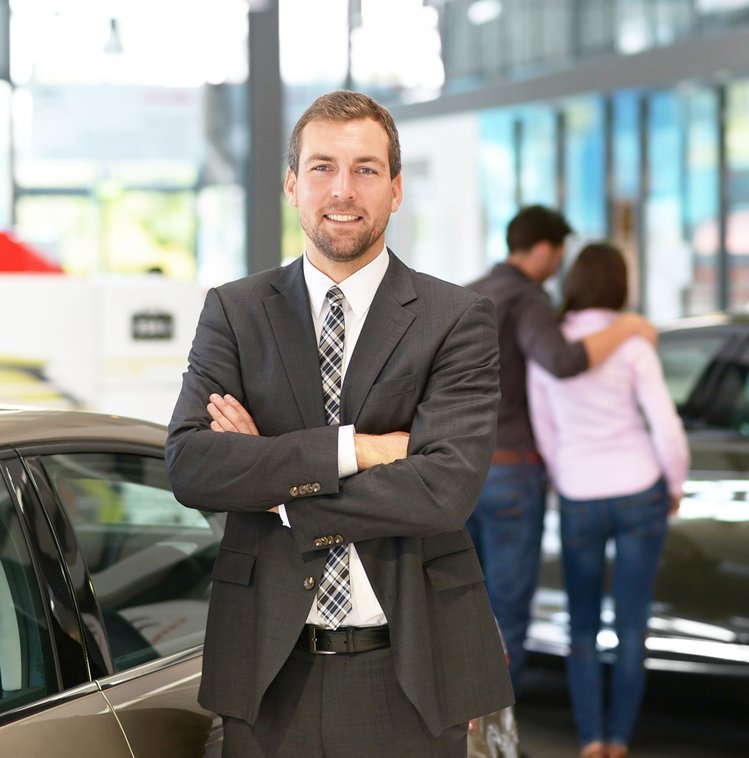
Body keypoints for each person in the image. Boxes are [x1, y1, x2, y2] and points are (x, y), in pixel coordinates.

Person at [165, 90, 513, 757]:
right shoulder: (235, 313)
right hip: (268, 668)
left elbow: (445, 489)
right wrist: (360, 449)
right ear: (293, 184)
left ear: (396, 189)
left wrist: (276, 485)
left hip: (412, 668)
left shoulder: (455, 319)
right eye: (323, 167)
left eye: (366, 169)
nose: (343, 190)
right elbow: (191, 465)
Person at [466, 206, 656, 695]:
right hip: (512, 473)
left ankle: (461, 741)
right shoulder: (528, 299)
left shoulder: (468, 293)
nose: (559, 266)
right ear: (546, 249)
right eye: (559, 253)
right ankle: (497, 741)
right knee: (506, 615)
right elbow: (563, 360)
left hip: (463, 471)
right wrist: (630, 326)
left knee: (466, 610)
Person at [527, 242, 689, 758]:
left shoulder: (550, 346)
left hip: (579, 492)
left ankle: (589, 739)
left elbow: (544, 430)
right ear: (620, 285)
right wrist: (675, 483)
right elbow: (666, 428)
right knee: (631, 625)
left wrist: (564, 475)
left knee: (581, 626)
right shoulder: (634, 343)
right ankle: (620, 739)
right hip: (639, 488)